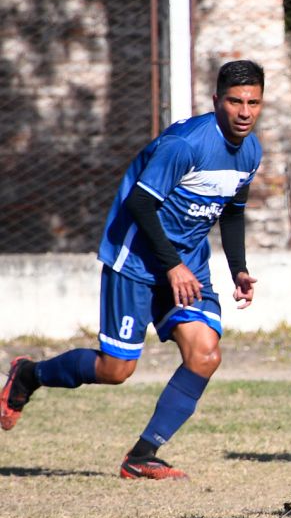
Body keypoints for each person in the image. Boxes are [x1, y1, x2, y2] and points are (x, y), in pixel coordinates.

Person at [1, 60, 266, 479]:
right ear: (217, 101)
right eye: (235, 102)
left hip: (187, 264)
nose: (245, 112)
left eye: (253, 102)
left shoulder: (250, 151)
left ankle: (142, 455)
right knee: (116, 369)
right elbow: (140, 205)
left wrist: (239, 269)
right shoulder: (184, 145)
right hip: (137, 259)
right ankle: (28, 375)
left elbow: (232, 211)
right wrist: (172, 265)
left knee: (205, 355)